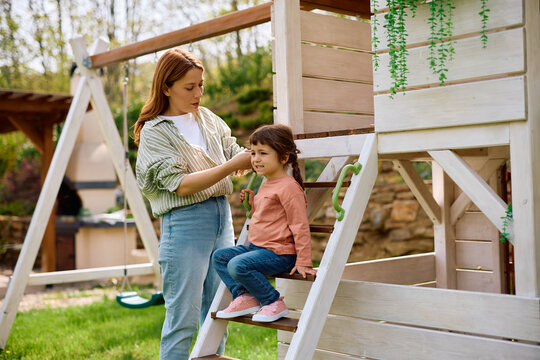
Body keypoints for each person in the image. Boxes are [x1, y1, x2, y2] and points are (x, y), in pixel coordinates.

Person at [134, 48, 251, 360]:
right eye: (190, 87)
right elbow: (181, 185)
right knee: (182, 320)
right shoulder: (155, 131)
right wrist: (231, 166)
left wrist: (263, 153)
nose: (198, 93)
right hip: (184, 225)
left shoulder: (209, 119)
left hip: (221, 217)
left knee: (217, 313)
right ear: (166, 87)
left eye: (201, 85)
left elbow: (234, 151)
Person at [213, 124, 317, 323]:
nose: (256, 159)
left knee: (237, 265)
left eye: (263, 153)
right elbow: (267, 219)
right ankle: (245, 296)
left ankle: (272, 301)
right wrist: (253, 203)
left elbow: (299, 225)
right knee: (220, 257)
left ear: (283, 157)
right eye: (253, 153)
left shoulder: (288, 187)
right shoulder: (267, 183)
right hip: (259, 248)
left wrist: (304, 260)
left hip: (280, 254)